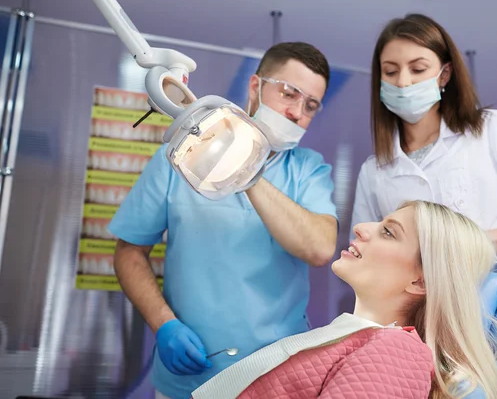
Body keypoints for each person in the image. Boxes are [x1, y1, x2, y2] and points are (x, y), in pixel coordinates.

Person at [351, 14, 497, 399]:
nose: (403, 82)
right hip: (426, 334)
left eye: (417, 68)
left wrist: (462, 243)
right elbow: (367, 259)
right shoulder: (375, 170)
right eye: (390, 72)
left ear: (444, 75)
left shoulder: (493, 130)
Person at [107, 42, 339, 399]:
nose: (296, 112)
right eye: (289, 93)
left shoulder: (308, 170)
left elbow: (321, 248)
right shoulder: (182, 155)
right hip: (188, 378)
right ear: (255, 86)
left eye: (310, 106)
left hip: (276, 378)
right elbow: (129, 251)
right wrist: (163, 324)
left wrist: (246, 166)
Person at [192, 200, 497, 399]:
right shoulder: (353, 339)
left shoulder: (398, 352)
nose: (361, 228)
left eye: (388, 233)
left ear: (420, 281)